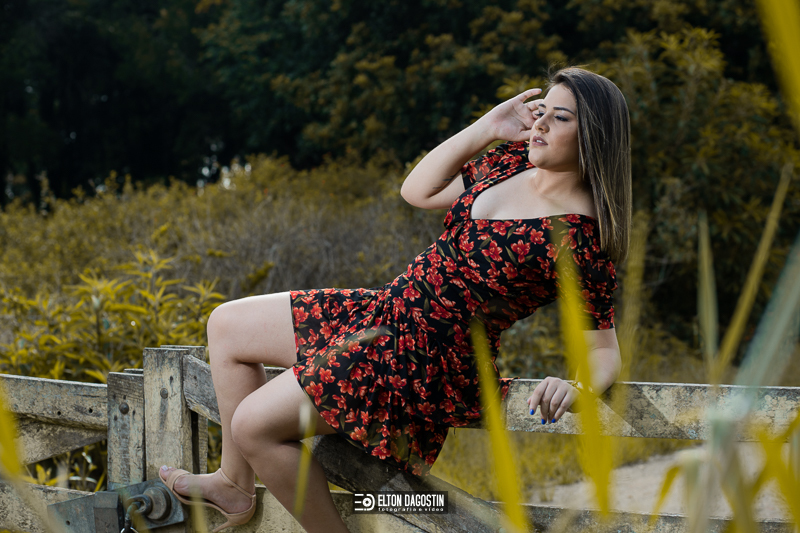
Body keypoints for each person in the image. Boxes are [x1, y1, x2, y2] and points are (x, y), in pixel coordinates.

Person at [158, 66, 630, 533]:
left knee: (253, 426)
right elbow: (417, 190)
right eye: (541, 109)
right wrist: (487, 127)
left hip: (421, 358)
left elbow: (603, 349)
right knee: (226, 326)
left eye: (560, 118)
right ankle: (233, 483)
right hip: (388, 310)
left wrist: (579, 388)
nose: (540, 123)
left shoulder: (579, 237)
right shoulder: (512, 163)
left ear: (594, 136)